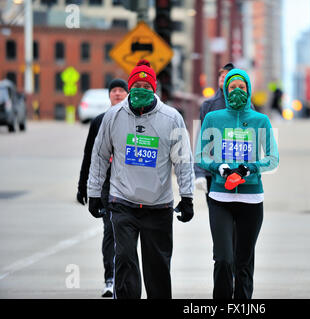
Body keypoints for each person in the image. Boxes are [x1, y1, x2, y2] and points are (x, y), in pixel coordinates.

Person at [87, 60, 195, 299]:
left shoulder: (171, 118)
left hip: (159, 205)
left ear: (154, 89)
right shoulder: (114, 116)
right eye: (137, 84)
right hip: (122, 201)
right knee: (124, 259)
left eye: (147, 85)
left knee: (157, 268)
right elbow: (99, 155)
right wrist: (93, 193)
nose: (142, 89)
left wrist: (187, 197)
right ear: (130, 86)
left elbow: (183, 161)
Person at [196, 69, 279, 299]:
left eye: (242, 87)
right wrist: (219, 167)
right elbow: (201, 155)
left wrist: (250, 167)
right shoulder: (214, 119)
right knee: (223, 259)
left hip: (251, 199)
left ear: (249, 90)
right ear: (225, 90)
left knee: (243, 263)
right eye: (232, 87)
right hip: (220, 197)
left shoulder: (260, 121)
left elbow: (273, 159)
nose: (237, 91)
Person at [76, 78, 128, 297]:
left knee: (125, 238)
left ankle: (124, 278)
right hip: (106, 187)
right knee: (110, 233)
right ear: (109, 95)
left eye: (121, 90)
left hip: (127, 185)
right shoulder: (99, 121)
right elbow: (90, 154)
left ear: (127, 94)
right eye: (113, 90)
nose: (117, 94)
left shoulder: (132, 121)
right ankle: (110, 278)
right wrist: (83, 187)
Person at [194, 62, 235, 203]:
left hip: (237, 170)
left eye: (227, 75)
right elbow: (202, 138)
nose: (223, 77)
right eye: (221, 75)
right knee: (217, 214)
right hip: (213, 171)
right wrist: (199, 172)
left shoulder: (248, 107)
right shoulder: (209, 105)